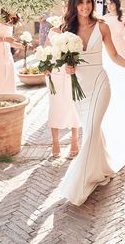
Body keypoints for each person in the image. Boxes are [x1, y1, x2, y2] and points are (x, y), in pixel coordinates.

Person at [60, 0, 125, 206]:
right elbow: (64, 61)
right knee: (92, 130)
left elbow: (114, 55)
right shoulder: (66, 30)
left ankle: (77, 183)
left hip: (100, 84)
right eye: (81, 2)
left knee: (89, 132)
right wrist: (67, 68)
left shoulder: (102, 26)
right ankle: (101, 169)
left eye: (88, 2)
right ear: (74, 5)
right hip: (79, 89)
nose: (85, 6)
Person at [44, 19, 81, 159]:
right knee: (55, 105)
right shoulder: (53, 31)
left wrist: (74, 65)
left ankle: (74, 141)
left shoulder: (75, 30)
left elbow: (79, 51)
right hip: (54, 72)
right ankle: (55, 142)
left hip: (71, 72)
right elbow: (46, 49)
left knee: (73, 105)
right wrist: (45, 65)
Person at [0, 9, 25, 94]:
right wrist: (5, 39)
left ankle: (10, 98)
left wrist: (20, 46)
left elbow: (9, 42)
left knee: (10, 77)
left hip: (7, 55)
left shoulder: (11, 22)